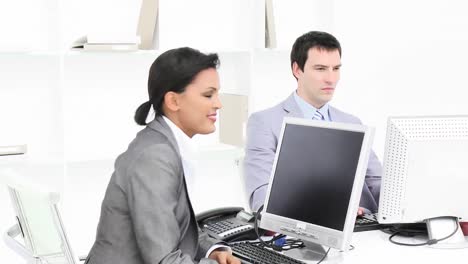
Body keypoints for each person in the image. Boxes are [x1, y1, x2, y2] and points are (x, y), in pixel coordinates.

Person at [86, 47, 240, 264]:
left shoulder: (162, 144)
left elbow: (177, 226)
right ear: (173, 101)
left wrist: (211, 250)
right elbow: (164, 260)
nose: (218, 104)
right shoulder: (155, 157)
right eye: (208, 95)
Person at [244, 31, 382, 214]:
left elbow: (377, 181)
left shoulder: (352, 123)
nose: (331, 79)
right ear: (297, 70)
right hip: (303, 228)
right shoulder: (264, 122)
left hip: (364, 225)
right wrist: (332, 214)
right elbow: (262, 197)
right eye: (320, 69)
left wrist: (405, 202)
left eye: (336, 68)